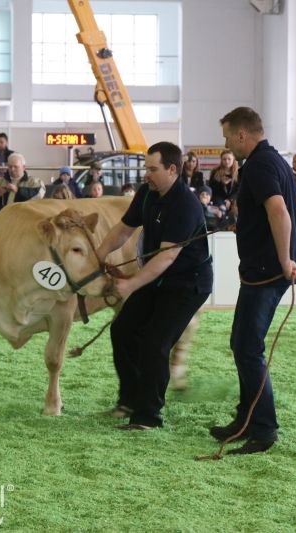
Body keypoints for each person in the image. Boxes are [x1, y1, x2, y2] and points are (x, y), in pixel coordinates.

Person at [95, 141, 213, 430]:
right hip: (158, 278)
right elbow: (123, 230)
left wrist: (131, 285)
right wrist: (97, 257)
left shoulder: (186, 204)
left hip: (187, 284)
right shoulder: (147, 193)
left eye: (152, 168)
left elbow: (167, 257)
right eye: (145, 168)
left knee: (155, 342)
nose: (145, 174)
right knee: (122, 329)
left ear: (172, 170)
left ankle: (148, 416)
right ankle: (130, 400)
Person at [211, 107, 296, 454]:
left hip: (267, 271)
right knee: (242, 343)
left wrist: (283, 259)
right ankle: (247, 418)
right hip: (265, 269)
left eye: (227, 137)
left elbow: (280, 211)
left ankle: (263, 429)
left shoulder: (260, 165)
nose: (226, 145)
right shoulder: (277, 161)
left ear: (241, 135)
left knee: (248, 348)